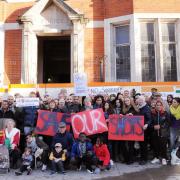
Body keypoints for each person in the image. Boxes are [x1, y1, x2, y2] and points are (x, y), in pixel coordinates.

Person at [151, 101, 170, 165]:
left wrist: (161, 126)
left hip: (163, 132)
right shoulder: (152, 113)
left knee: (163, 146)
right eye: (157, 105)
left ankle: (164, 158)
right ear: (155, 106)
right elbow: (150, 122)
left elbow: (168, 123)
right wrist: (153, 127)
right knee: (155, 145)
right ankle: (156, 157)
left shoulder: (165, 113)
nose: (158, 106)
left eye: (160, 105)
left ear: (162, 106)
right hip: (154, 132)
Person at [121, 97, 138, 164]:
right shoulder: (123, 109)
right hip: (123, 129)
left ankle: (131, 159)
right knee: (123, 144)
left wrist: (132, 115)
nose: (126, 102)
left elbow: (139, 117)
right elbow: (120, 116)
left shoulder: (134, 108)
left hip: (132, 129)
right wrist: (121, 115)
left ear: (130, 101)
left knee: (131, 145)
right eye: (125, 101)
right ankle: (126, 158)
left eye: (127, 100)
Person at [137, 96, 152, 165]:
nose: (139, 101)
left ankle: (144, 159)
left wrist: (146, 124)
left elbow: (149, 119)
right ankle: (142, 157)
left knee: (144, 145)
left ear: (143, 101)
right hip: (139, 129)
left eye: (140, 100)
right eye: (138, 100)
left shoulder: (146, 108)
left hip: (144, 130)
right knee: (141, 144)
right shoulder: (139, 108)